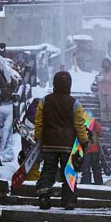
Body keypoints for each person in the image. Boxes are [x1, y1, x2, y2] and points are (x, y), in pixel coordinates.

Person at [34, 71, 90, 210]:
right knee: (69, 172)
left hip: (49, 143)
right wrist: (84, 141)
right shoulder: (75, 103)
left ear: (54, 84)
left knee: (48, 169)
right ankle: (68, 200)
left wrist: (38, 138)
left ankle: (44, 196)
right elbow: (79, 125)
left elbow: (39, 122)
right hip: (68, 144)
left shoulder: (44, 101)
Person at [83, 117, 105, 186]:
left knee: (86, 168)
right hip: (95, 149)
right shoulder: (93, 123)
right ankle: (99, 183)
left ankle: (86, 183)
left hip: (86, 149)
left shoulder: (80, 123)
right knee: (96, 168)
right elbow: (100, 130)